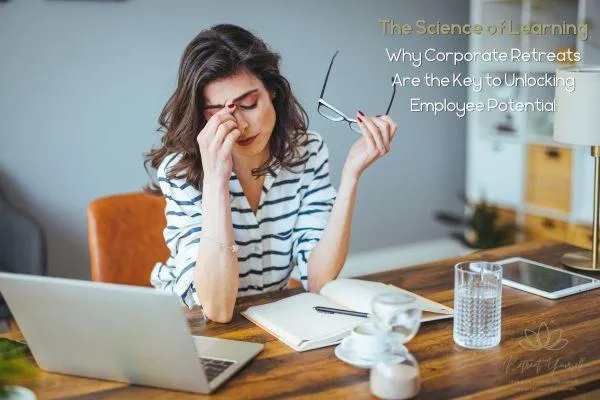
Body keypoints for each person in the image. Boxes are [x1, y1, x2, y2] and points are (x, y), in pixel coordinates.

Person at [145, 24, 398, 323]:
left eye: (249, 104)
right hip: (189, 324)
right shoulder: (181, 171)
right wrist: (215, 181)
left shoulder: (307, 152)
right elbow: (217, 309)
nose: (241, 125)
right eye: (219, 114)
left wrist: (351, 176)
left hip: (269, 321)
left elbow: (318, 282)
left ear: (273, 92)